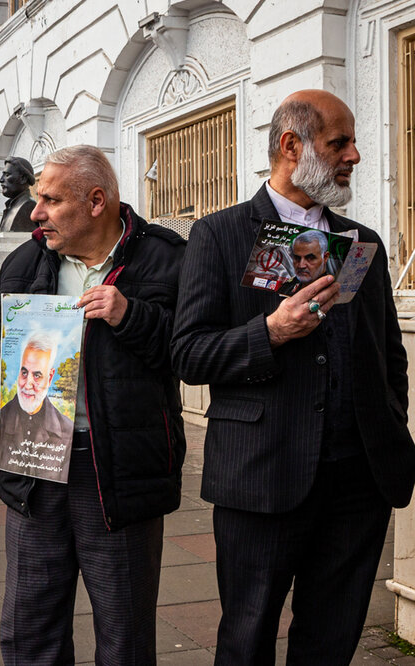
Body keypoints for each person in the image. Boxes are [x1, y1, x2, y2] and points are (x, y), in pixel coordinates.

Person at [171, 89, 415, 665]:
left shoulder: (363, 244)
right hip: (263, 476)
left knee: (332, 639)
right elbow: (187, 354)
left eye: (352, 142)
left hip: (358, 481)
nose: (355, 154)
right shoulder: (218, 235)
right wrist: (271, 332)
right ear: (290, 146)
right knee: (248, 635)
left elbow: (388, 357)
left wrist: (390, 424)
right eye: (340, 143)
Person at [0, 145, 185, 665]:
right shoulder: (25, 263)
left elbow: (191, 351)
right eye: (36, 199)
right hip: (35, 464)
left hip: (118, 470)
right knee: (29, 629)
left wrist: (131, 316)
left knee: (124, 631)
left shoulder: (165, 258)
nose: (36, 212)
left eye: (49, 200)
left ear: (96, 202)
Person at [0, 332, 73, 474]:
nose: (28, 384)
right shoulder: (0, 420)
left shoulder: (66, 430)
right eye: (24, 373)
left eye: (37, 375)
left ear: (50, 378)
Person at [0, 156, 37, 232]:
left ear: (23, 179)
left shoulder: (29, 206)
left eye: (7, 175)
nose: (1, 180)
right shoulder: (10, 206)